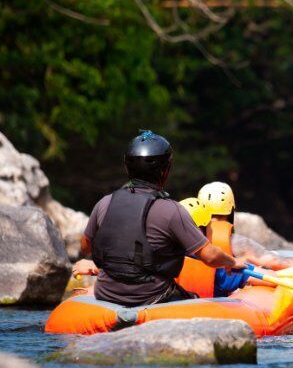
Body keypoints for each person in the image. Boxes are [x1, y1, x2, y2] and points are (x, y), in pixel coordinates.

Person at [76, 130, 245, 306]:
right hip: (152, 298)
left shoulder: (104, 203)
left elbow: (85, 247)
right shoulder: (172, 210)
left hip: (106, 293)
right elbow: (209, 256)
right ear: (165, 171)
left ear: (127, 168)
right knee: (192, 298)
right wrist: (232, 261)